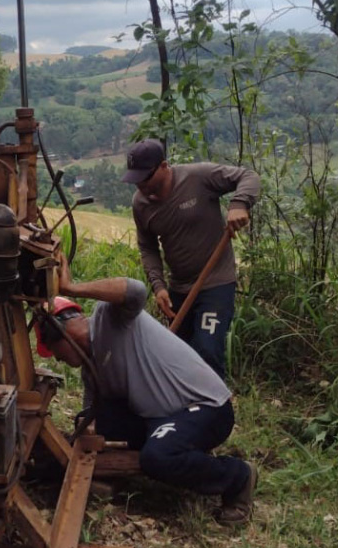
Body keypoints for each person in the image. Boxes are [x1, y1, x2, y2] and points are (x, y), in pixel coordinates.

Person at [35, 253, 258, 525]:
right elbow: (90, 419)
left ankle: (238, 476)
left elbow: (136, 290)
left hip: (206, 408)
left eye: (55, 352)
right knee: (101, 421)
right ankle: (183, 451)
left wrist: (71, 288)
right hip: (162, 415)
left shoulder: (111, 317)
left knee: (158, 458)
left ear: (64, 331)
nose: (57, 359)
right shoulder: (91, 371)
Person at [123, 139, 261, 380]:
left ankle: (216, 411)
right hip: (178, 288)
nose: (140, 185)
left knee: (207, 350)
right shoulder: (140, 204)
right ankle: (185, 411)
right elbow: (148, 247)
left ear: (164, 166)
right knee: (177, 356)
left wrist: (239, 204)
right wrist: (158, 286)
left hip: (216, 283)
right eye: (135, 179)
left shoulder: (199, 177)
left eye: (145, 177)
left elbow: (249, 176)